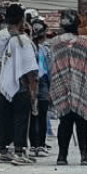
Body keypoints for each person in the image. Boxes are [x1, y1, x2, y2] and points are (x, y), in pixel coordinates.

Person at [48, 9, 87, 166]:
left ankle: (62, 157)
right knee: (82, 121)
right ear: (77, 23)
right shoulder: (86, 42)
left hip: (61, 85)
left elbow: (52, 63)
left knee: (65, 121)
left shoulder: (55, 42)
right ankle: (84, 156)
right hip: (80, 86)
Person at [0, 3, 39, 165]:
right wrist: (33, 90)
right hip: (21, 84)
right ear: (22, 19)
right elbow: (30, 69)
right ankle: (19, 152)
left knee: (4, 117)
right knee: (21, 118)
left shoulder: (0, 35)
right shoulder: (23, 40)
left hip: (5, 81)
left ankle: (2, 150)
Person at [29, 18, 51, 157]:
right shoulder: (29, 47)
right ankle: (34, 145)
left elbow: (50, 68)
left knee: (42, 114)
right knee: (33, 115)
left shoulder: (47, 49)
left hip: (43, 82)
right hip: (32, 81)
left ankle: (41, 144)